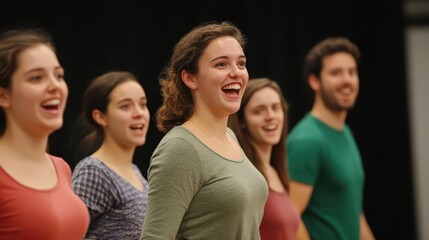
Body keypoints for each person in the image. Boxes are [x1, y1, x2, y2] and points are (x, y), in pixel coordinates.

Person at [140, 21, 268, 240]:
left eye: (241, 63)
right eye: (221, 65)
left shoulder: (230, 137)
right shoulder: (181, 148)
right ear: (190, 78)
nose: (236, 73)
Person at [0, 28, 89, 239]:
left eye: (59, 76)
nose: (55, 86)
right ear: (3, 96)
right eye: (36, 78)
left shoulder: (61, 168)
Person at [286, 37, 376, 240]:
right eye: (336, 73)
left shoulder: (345, 131)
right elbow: (291, 218)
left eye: (351, 72)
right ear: (314, 81)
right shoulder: (306, 141)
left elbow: (352, 211)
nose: (347, 80)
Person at [71, 71, 150, 240]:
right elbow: (69, 233)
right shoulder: (93, 171)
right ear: (100, 117)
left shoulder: (135, 172)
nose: (139, 113)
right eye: (125, 106)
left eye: (143, 105)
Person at [228, 77, 304, 240]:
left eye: (276, 108)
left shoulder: (276, 171)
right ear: (242, 121)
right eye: (259, 111)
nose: (270, 116)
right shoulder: (242, 175)